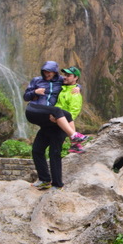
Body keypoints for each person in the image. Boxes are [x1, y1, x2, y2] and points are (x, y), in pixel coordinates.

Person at [24, 62, 87, 190]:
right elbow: (27, 96)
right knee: (37, 150)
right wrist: (36, 92)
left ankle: (57, 185)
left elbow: (72, 113)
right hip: (49, 122)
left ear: (75, 78)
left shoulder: (74, 93)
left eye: (69, 75)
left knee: (54, 153)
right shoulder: (62, 85)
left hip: (61, 125)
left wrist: (78, 87)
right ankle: (44, 180)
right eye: (65, 75)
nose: (65, 77)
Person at [23, 61, 87, 143]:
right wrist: (35, 92)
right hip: (34, 109)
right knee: (57, 110)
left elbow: (72, 82)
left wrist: (78, 87)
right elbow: (25, 97)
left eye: (49, 71)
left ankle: (75, 143)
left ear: (54, 72)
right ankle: (73, 135)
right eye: (44, 71)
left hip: (48, 114)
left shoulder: (61, 80)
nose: (46, 74)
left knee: (66, 115)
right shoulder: (36, 80)